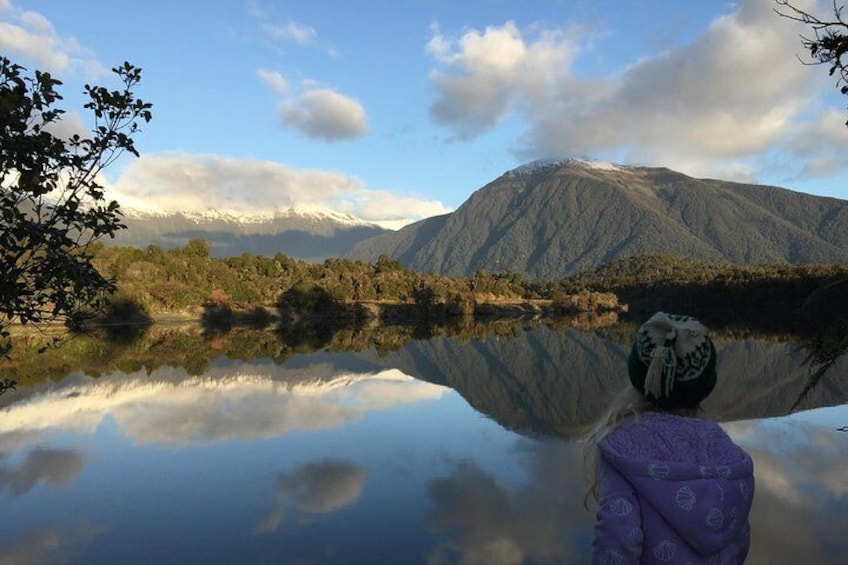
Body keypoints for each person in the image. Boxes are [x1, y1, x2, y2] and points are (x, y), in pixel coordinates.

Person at [585, 312, 754, 564]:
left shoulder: (622, 449)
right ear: (705, 384)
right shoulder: (729, 456)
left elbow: (617, 544)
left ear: (640, 376)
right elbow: (739, 544)